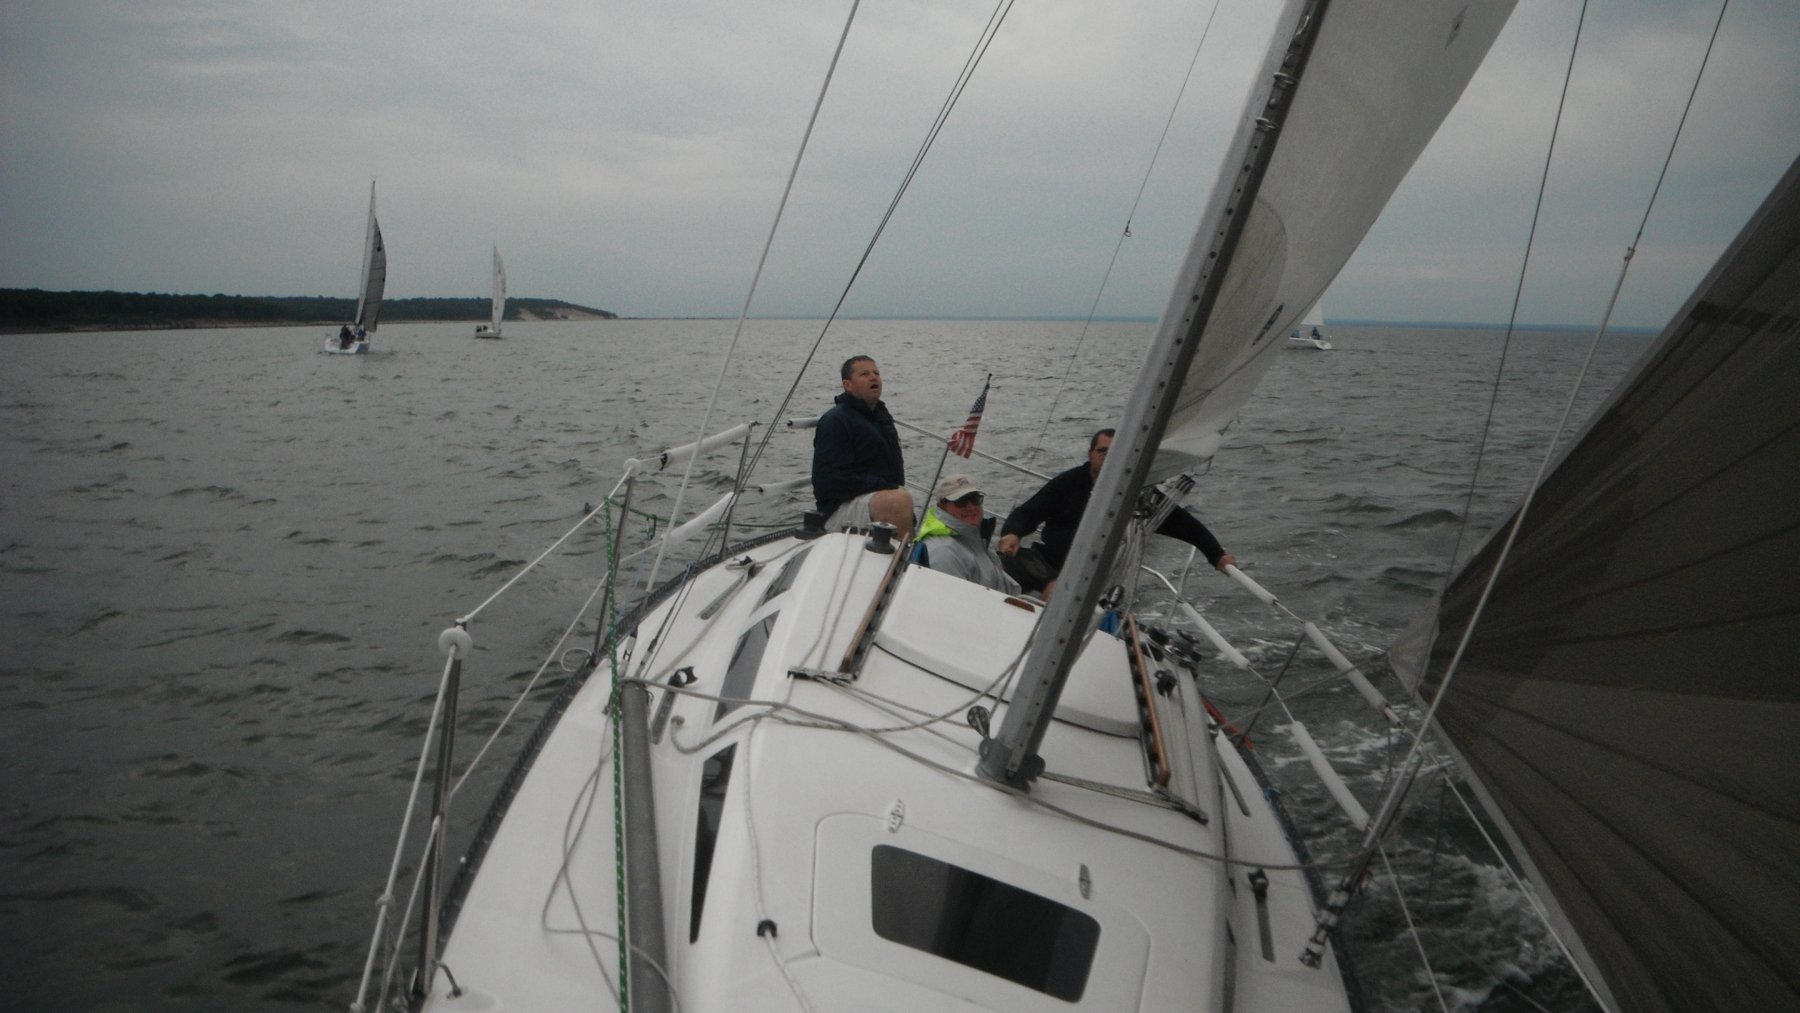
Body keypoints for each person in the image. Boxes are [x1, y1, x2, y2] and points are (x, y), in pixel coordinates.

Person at [998, 429, 1236, 596]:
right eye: (1102, 451)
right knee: (1008, 561)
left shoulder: (1138, 495)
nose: (1107, 458)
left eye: (1115, 453)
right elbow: (1028, 512)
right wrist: (1012, 533)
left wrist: (1216, 555)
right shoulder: (1068, 482)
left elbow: (1184, 525)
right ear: (1091, 455)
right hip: (1050, 561)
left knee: (1062, 591)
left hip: (1095, 578)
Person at [812, 356, 914, 536]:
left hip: (874, 497)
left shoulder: (880, 418)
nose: (873, 377)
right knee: (897, 501)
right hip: (838, 510)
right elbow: (828, 480)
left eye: (876, 373)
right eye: (865, 374)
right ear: (848, 385)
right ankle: (903, 553)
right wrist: (883, 486)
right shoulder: (835, 421)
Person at [914, 475, 1019, 594]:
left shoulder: (976, 540)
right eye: (961, 502)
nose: (971, 507)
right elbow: (952, 601)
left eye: (975, 499)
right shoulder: (943, 552)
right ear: (942, 506)